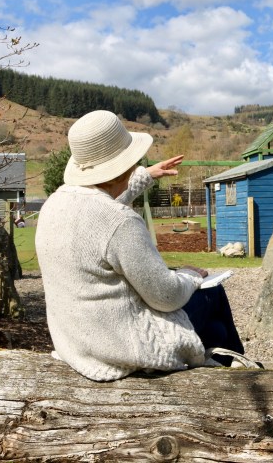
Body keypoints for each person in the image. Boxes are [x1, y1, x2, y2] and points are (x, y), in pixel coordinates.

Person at [36, 110, 246, 381]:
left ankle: (227, 366)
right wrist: (191, 276)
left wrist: (146, 175)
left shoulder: (54, 204)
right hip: (119, 346)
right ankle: (246, 375)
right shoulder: (120, 221)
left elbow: (99, 208)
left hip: (76, 340)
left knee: (216, 331)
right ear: (123, 167)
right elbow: (165, 296)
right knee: (213, 293)